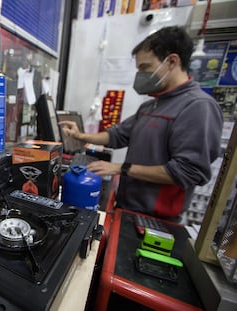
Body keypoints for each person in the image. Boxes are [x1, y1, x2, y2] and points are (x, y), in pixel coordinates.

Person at [59, 26, 223, 220]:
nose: (140, 75)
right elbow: (118, 135)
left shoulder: (198, 107)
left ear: (172, 61)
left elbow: (189, 171)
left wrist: (122, 168)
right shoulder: (153, 105)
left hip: (155, 218)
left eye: (145, 68)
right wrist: (81, 136)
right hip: (128, 207)